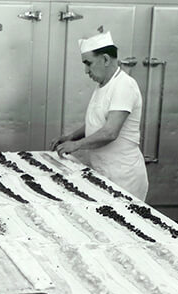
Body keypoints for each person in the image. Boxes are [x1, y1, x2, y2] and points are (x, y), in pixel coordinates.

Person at [51, 31, 148, 201]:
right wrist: (70, 137)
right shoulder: (104, 85)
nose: (86, 71)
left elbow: (110, 132)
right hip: (105, 170)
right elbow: (97, 123)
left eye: (88, 63)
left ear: (105, 59)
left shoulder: (124, 85)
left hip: (123, 176)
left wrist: (76, 145)